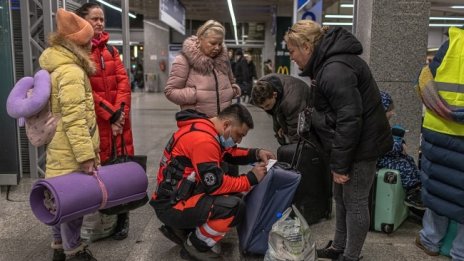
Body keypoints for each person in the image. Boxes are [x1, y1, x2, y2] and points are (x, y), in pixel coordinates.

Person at [284, 20, 392, 261]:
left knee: (354, 202)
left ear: (306, 47)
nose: (291, 57)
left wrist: (341, 165)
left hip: (360, 148)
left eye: (292, 51)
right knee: (341, 199)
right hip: (350, 145)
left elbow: (350, 119)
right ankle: (339, 248)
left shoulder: (335, 70)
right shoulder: (328, 65)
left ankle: (351, 256)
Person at [150, 104, 275, 260]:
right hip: (172, 206)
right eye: (239, 135)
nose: (239, 140)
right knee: (235, 207)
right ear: (226, 125)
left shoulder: (204, 127)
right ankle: (196, 245)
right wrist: (250, 178)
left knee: (233, 192)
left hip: (175, 197)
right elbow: (216, 185)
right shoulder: (204, 140)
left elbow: (229, 154)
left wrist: (257, 153)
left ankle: (181, 228)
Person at [38, 8, 99, 261]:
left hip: (57, 144)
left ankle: (58, 248)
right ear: (78, 42)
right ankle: (75, 251)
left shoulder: (54, 65)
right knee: (74, 201)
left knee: (57, 196)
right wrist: (86, 156)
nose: (92, 44)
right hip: (72, 148)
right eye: (89, 40)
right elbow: (76, 119)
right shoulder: (72, 72)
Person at [76, 2, 134, 241]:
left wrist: (120, 114)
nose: (99, 23)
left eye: (102, 19)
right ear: (83, 21)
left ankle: (122, 219)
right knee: (100, 171)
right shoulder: (79, 52)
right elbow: (86, 91)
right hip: (99, 123)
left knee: (121, 170)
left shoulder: (111, 51)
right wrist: (111, 115)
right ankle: (102, 219)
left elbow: (123, 83)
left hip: (119, 123)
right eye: (94, 18)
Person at [415, 26, 464, 260]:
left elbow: (425, 80)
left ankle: (430, 239)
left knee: (439, 188)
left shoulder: (454, 42)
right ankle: (460, 252)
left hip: (439, 129)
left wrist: (441, 108)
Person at [165, 20, 240, 117]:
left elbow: (231, 82)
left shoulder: (223, 59)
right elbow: (170, 91)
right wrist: (196, 94)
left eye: (220, 44)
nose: (217, 48)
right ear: (200, 39)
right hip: (198, 122)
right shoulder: (184, 60)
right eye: (212, 43)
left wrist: (232, 91)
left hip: (223, 123)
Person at [376, 91, 424, 210]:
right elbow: (385, 146)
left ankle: (417, 186)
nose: (393, 113)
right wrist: (399, 146)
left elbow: (389, 139)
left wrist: (400, 142)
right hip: (379, 159)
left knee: (409, 159)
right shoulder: (375, 127)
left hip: (386, 155)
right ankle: (411, 193)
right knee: (403, 165)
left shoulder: (382, 124)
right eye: (389, 110)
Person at [250, 73, 310, 145]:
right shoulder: (261, 87)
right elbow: (276, 113)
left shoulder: (291, 102)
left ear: (274, 95)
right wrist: (282, 128)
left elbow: (296, 132)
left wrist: (295, 152)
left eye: (267, 105)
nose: (265, 109)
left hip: (309, 107)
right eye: (262, 107)